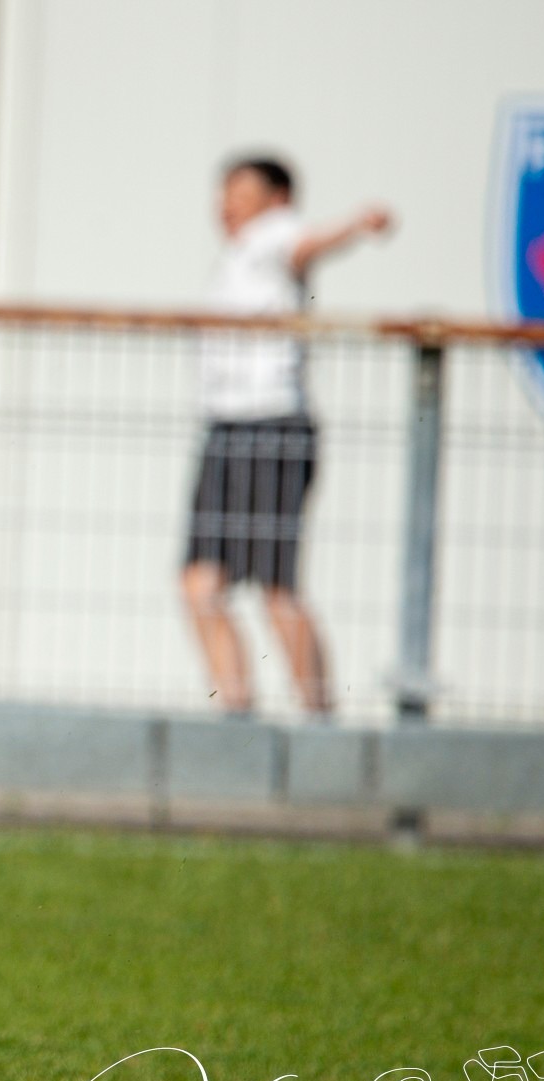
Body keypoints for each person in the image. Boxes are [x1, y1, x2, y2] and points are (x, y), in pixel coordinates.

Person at [181, 156, 391, 717]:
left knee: (276, 589)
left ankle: (318, 718)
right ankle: (236, 715)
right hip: (226, 428)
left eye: (241, 193)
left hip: (270, 425)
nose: (227, 206)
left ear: (277, 199)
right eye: (224, 193)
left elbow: (305, 245)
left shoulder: (275, 233)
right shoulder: (237, 256)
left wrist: (356, 224)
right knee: (200, 583)